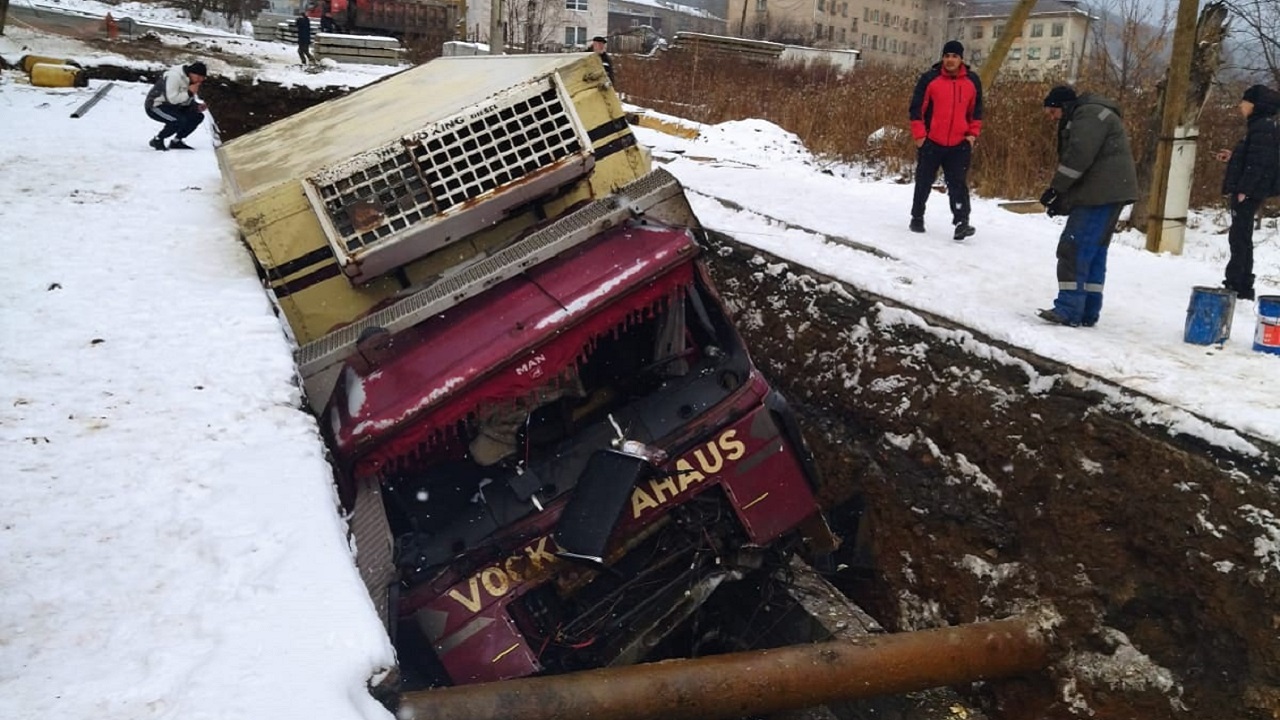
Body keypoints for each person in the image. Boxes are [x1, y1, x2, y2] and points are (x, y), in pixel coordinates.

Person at [1035, 85, 1138, 328]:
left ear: (1063, 106)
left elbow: (1078, 158)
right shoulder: (1093, 113)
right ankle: (1087, 310)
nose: (1052, 118)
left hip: (1101, 194)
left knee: (1073, 247)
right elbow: (1088, 166)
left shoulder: (1088, 115)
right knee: (1094, 251)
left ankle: (1069, 309)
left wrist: (1056, 189)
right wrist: (1061, 200)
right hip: (1109, 191)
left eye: (1053, 112)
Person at [908, 40, 983, 240]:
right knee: (924, 181)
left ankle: (961, 222)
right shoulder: (930, 79)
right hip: (931, 141)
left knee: (958, 184)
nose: (950, 60)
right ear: (942, 58)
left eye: (954, 56)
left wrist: (972, 135)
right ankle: (917, 216)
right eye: (947, 56)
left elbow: (976, 111)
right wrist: (920, 136)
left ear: (961, 59)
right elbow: (916, 109)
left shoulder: (972, 81)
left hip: (959, 143)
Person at [1214, 84, 1280, 302]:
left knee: (1239, 238)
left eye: (1244, 102)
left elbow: (1259, 163)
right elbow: (1253, 156)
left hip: (1248, 192)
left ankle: (1237, 284)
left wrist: (1245, 190)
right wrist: (1234, 156)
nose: (1240, 106)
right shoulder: (1262, 126)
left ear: (1255, 105)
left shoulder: (1262, 128)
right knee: (1241, 236)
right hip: (1251, 190)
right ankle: (1241, 282)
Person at [143, 61, 208, 151]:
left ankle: (176, 141)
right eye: (198, 77)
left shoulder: (190, 80)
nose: (199, 80)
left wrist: (196, 106)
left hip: (173, 106)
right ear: (191, 73)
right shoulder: (174, 76)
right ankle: (158, 140)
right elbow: (172, 99)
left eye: (202, 78)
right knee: (178, 121)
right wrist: (189, 92)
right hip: (156, 105)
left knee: (197, 117)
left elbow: (185, 100)